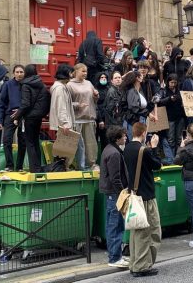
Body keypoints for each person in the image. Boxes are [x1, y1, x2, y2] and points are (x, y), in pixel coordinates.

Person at [123, 123, 162, 277]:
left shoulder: (127, 149)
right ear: (144, 132)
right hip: (146, 196)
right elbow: (157, 165)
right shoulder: (144, 150)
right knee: (151, 231)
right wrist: (153, 147)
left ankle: (135, 263)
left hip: (134, 194)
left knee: (136, 233)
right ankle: (142, 266)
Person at [99, 125, 129, 269]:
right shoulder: (115, 153)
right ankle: (114, 258)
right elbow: (115, 178)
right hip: (115, 194)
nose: (126, 138)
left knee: (113, 225)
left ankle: (115, 255)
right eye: (123, 136)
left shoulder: (108, 149)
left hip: (111, 193)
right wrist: (123, 193)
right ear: (117, 139)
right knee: (115, 226)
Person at [12, 65, 50, 173]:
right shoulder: (41, 84)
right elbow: (46, 99)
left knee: (29, 142)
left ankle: (35, 168)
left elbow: (25, 104)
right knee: (35, 141)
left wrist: (17, 115)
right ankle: (38, 166)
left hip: (29, 117)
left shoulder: (25, 85)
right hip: (38, 117)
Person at [67, 63, 100, 171]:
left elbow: (94, 100)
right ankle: (70, 165)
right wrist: (77, 105)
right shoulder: (70, 85)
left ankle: (91, 164)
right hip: (77, 119)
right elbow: (67, 103)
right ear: (76, 72)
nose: (85, 73)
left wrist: (96, 96)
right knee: (75, 145)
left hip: (89, 117)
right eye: (83, 71)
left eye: (86, 71)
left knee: (90, 144)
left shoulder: (89, 83)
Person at [0, 65, 25, 172]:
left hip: (23, 115)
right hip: (10, 115)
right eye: (17, 72)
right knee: (7, 140)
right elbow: (1, 102)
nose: (19, 74)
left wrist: (21, 110)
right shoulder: (7, 85)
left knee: (22, 141)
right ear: (13, 73)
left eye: (21, 72)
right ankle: (10, 165)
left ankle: (19, 166)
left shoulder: (26, 84)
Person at [49, 64, 76, 167]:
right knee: (62, 151)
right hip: (63, 124)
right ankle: (60, 168)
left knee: (63, 150)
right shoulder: (60, 88)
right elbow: (61, 107)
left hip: (62, 123)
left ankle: (62, 167)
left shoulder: (61, 87)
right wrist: (65, 123)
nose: (72, 75)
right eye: (70, 72)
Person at [160, 74, 185, 164]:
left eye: (175, 82)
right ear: (168, 82)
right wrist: (169, 99)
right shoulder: (164, 91)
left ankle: (178, 157)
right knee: (171, 139)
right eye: (171, 82)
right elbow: (160, 101)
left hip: (180, 117)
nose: (173, 84)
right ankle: (171, 158)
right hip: (170, 117)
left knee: (178, 139)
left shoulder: (179, 91)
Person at [121, 71, 150, 140]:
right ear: (137, 78)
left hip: (140, 119)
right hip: (133, 121)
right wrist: (148, 113)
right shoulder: (131, 91)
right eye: (141, 75)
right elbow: (134, 108)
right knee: (135, 141)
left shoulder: (139, 90)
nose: (143, 76)